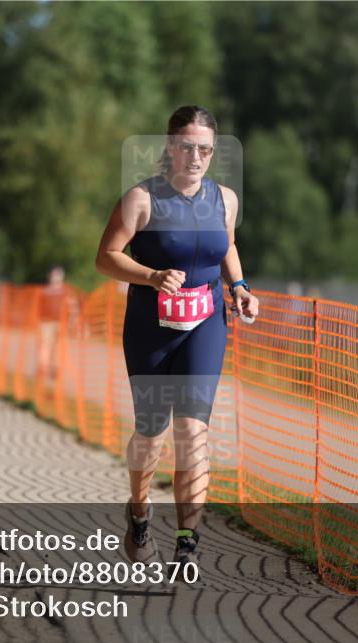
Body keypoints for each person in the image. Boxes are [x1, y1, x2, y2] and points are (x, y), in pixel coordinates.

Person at [95, 105, 259, 575]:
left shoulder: (225, 198)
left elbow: (225, 244)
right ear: (170, 147)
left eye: (205, 149)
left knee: (193, 433)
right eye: (187, 147)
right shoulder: (141, 199)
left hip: (206, 324)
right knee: (151, 433)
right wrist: (150, 275)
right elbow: (105, 257)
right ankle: (140, 511)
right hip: (151, 325)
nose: (196, 157)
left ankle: (188, 542)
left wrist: (240, 288)